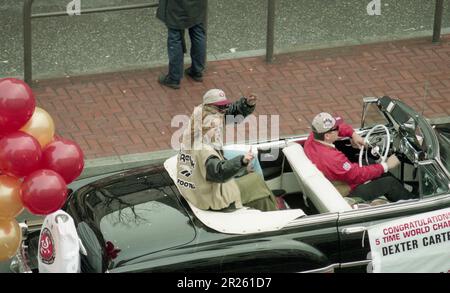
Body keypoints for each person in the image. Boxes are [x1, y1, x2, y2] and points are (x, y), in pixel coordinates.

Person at [177, 92, 278, 212]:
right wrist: (242, 161)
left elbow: (233, 113)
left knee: (252, 162)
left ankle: (263, 191)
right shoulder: (205, 147)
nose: (224, 110)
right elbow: (218, 171)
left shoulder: (204, 115)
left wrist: (246, 104)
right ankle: (271, 204)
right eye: (221, 107)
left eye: (225, 106)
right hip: (208, 195)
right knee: (256, 182)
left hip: (200, 175)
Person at [303, 112, 416, 203]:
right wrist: (386, 165)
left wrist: (353, 134)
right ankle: (414, 204)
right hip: (346, 191)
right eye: (335, 128)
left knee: (370, 162)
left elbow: (340, 128)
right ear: (327, 136)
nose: (338, 129)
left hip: (336, 181)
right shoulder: (333, 159)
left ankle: (399, 188)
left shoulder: (313, 138)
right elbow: (356, 175)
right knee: (390, 183)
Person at [156, 0, 207, 89]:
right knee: (198, 33)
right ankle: (197, 71)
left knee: (175, 37)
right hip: (198, 4)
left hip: (176, 5)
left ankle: (174, 77)